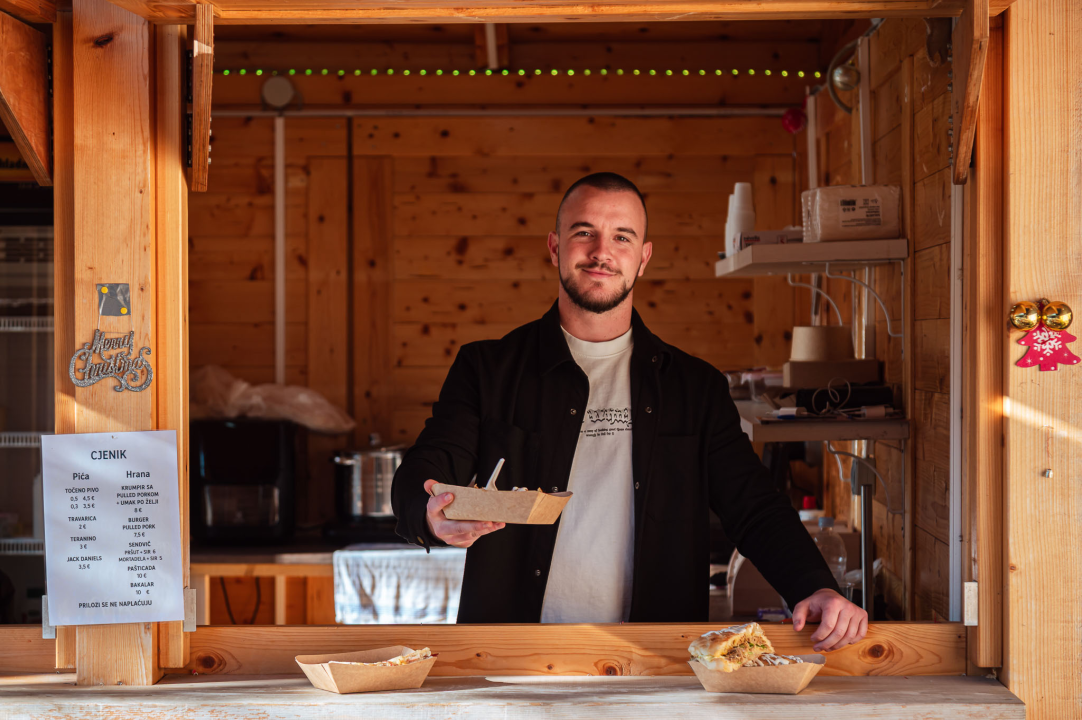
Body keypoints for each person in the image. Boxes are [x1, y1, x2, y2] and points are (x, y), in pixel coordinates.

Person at [391, 172, 868, 652]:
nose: (602, 251)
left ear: (643, 258)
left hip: (653, 662)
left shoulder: (694, 387)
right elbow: (427, 469)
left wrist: (815, 585)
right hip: (510, 659)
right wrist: (430, 515)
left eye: (622, 237)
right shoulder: (487, 369)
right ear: (555, 248)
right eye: (584, 233)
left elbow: (754, 507)